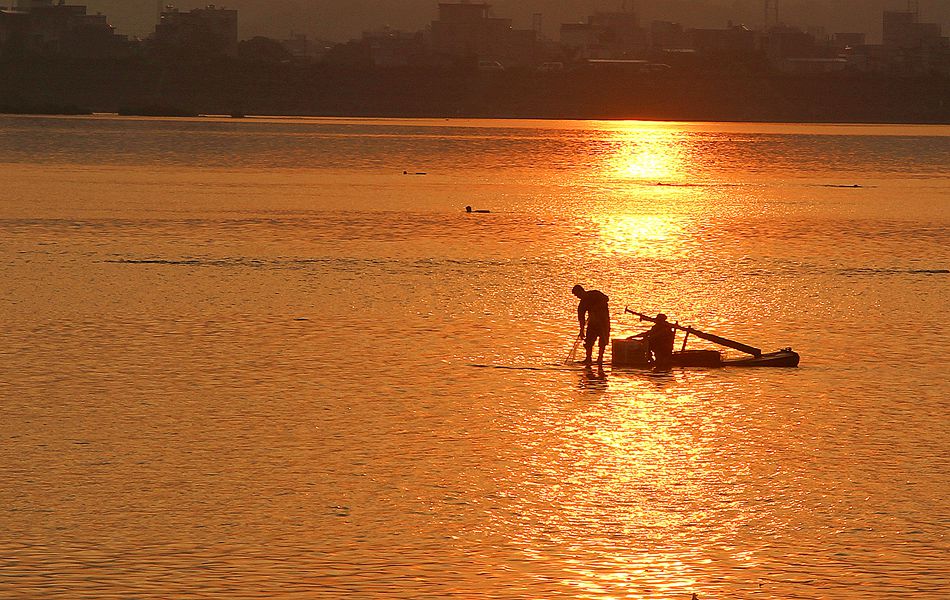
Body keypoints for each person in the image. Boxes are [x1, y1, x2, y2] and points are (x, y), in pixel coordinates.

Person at [572, 284, 610, 365]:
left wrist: (595, 307)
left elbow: (606, 299)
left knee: (603, 341)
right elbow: (581, 318)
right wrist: (581, 330)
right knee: (589, 342)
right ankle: (588, 359)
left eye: (577, 294)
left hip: (603, 321)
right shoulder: (582, 305)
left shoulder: (594, 294)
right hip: (593, 323)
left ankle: (600, 359)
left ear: (581, 291)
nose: (577, 297)